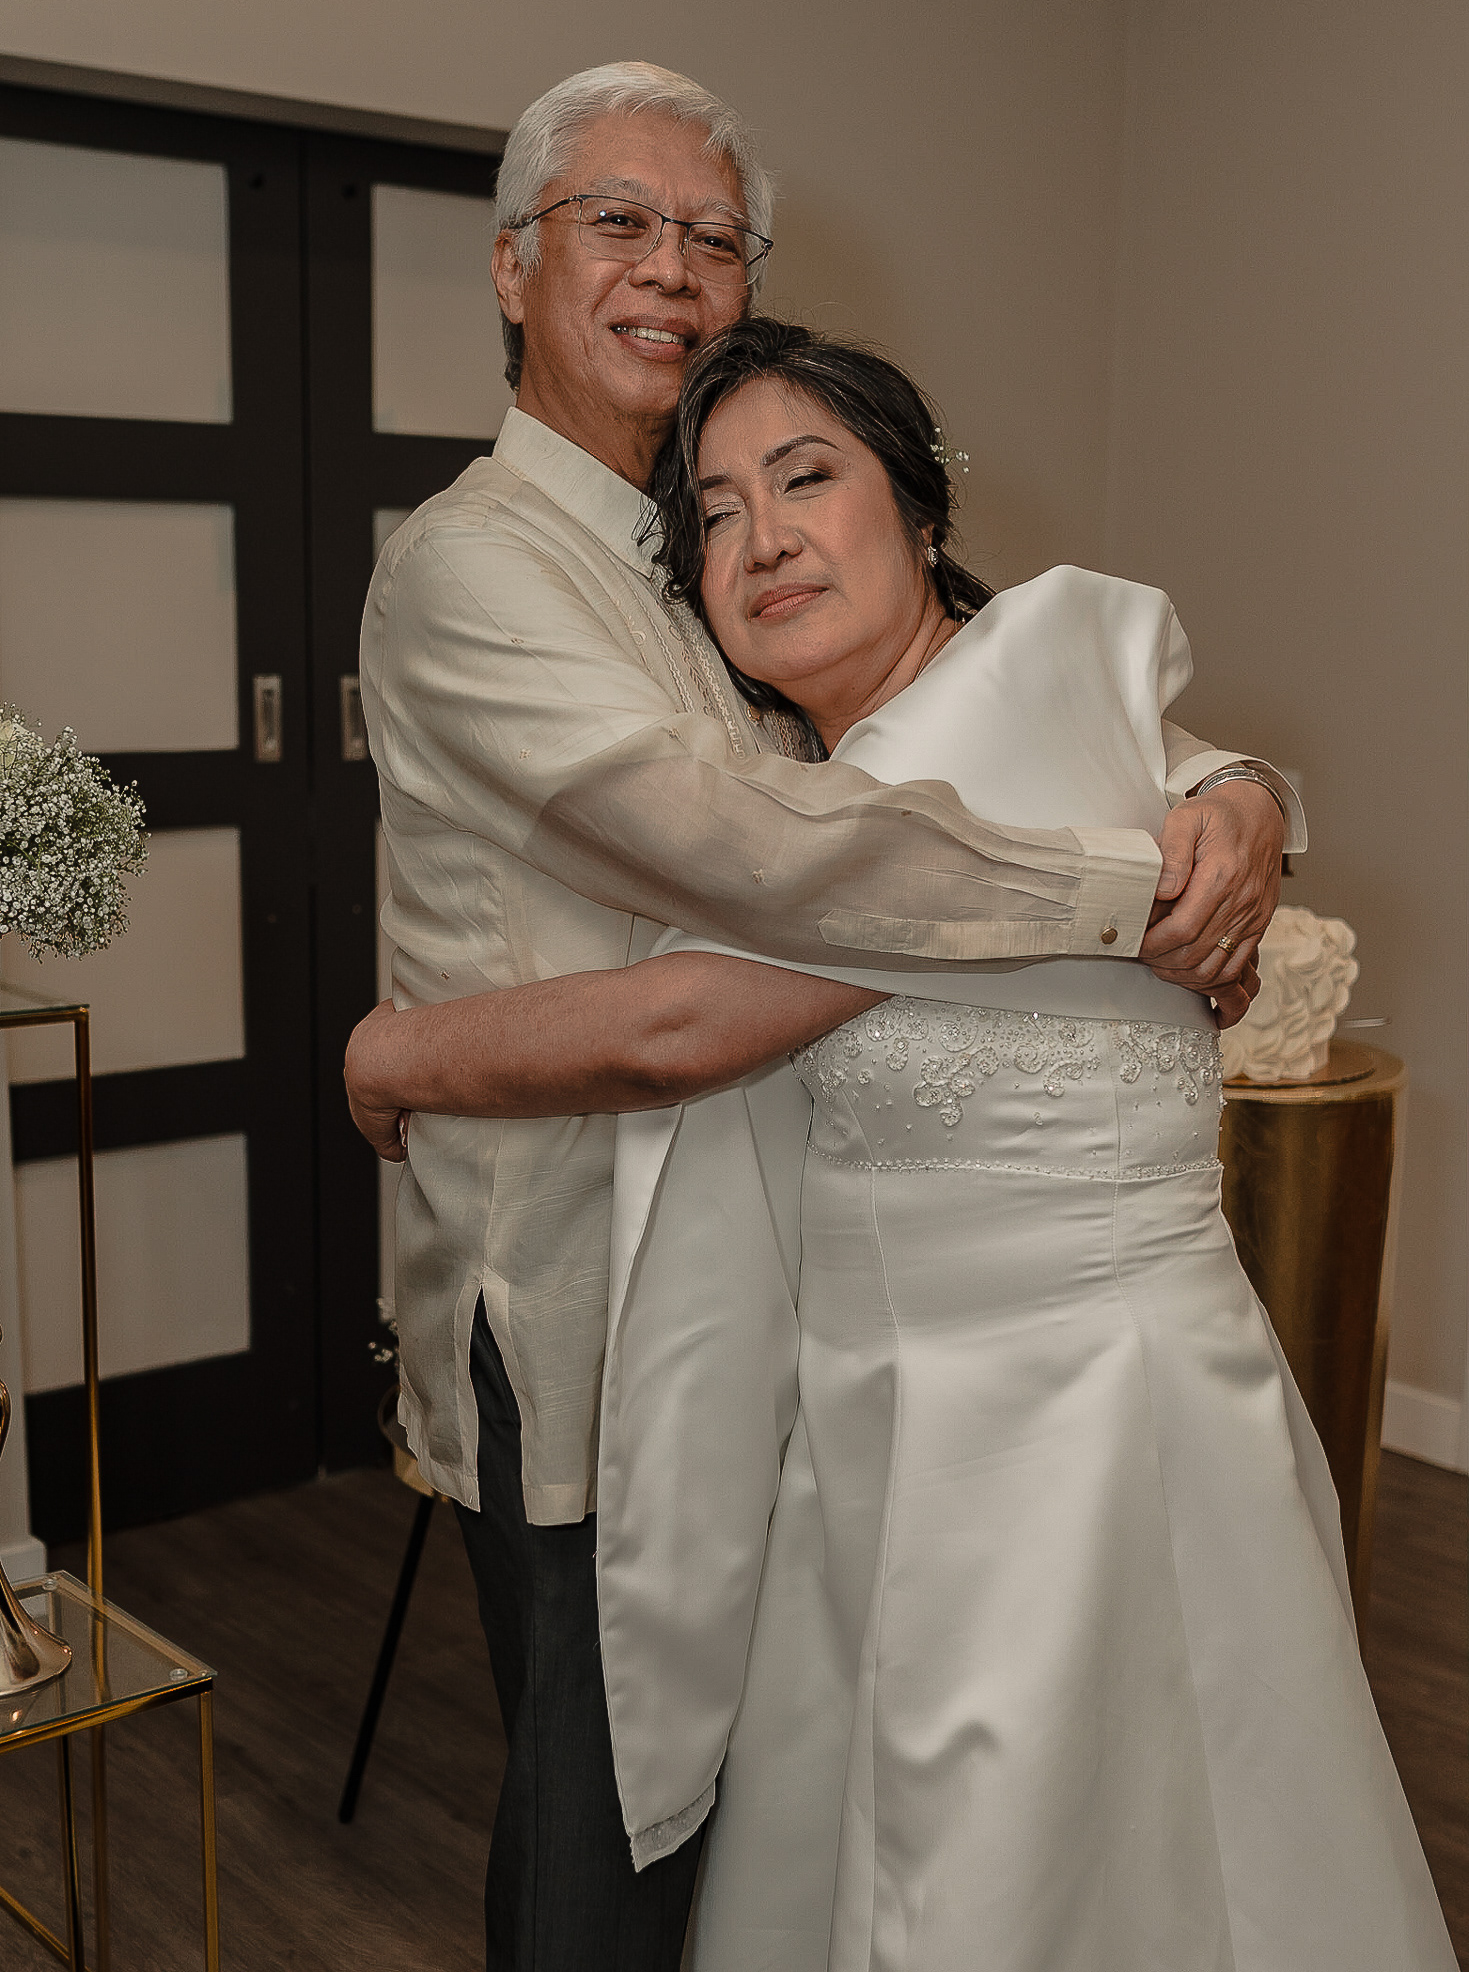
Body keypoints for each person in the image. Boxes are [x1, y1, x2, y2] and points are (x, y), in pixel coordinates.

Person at [350, 320, 1454, 1972]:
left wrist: (392, 1052)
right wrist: (1245, 792)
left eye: (808, 479)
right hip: (870, 1423)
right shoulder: (817, 786)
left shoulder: (1012, 703)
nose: (762, 539)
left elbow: (685, 1026)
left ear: (922, 511)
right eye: (714, 515)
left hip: (1062, 1433)